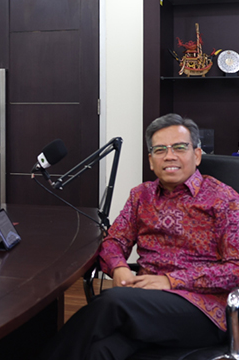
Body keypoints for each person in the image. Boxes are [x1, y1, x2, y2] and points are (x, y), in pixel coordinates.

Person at [41, 113, 239, 360]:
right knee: (100, 351)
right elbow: (114, 241)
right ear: (151, 161)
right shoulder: (141, 196)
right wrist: (119, 268)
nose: (169, 156)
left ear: (197, 155)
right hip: (145, 304)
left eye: (179, 147)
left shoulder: (224, 199)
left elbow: (235, 268)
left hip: (202, 311)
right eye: (160, 150)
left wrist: (170, 281)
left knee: (112, 303)